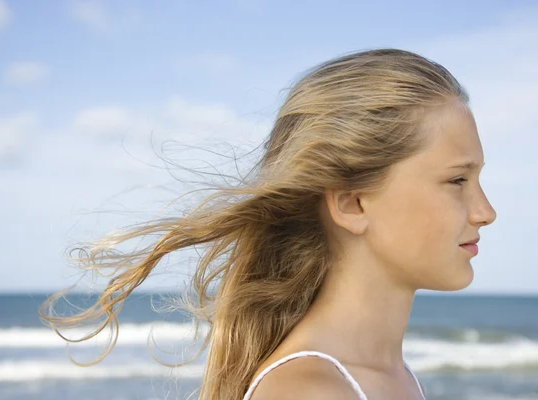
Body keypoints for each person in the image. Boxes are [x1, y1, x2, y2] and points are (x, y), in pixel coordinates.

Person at [39, 48, 497, 400]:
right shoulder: (308, 391)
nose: (485, 211)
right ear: (353, 204)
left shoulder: (388, 376)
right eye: (457, 180)